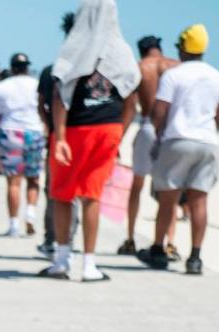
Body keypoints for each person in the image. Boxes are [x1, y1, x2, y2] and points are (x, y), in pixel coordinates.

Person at [39, 0, 140, 282]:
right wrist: (121, 130)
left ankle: (61, 260)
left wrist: (58, 137)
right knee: (91, 196)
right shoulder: (121, 50)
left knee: (62, 194)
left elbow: (61, 95)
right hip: (107, 128)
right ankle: (89, 265)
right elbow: (131, 96)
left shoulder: (75, 46)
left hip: (74, 130)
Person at [137, 23, 219, 275]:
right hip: (207, 143)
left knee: (168, 199)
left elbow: (159, 111)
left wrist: (159, 135)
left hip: (177, 139)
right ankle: (195, 257)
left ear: (183, 49)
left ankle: (158, 249)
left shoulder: (174, 75)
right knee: (199, 201)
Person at [116, 36, 180, 258]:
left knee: (137, 186)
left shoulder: (139, 68)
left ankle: (131, 238)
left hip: (148, 127)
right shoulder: (177, 66)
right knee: (169, 190)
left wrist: (117, 139)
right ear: (160, 48)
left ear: (141, 50)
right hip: (173, 130)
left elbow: (130, 108)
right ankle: (170, 242)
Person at [0, 53, 44, 237]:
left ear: (11, 68)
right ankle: (30, 215)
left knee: (13, 181)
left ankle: (13, 225)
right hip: (34, 132)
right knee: (34, 179)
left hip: (10, 132)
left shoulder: (0, 87)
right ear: (27, 67)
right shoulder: (37, 85)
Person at [36, 11, 77, 258]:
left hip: (57, 138)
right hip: (83, 134)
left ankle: (53, 238)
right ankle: (69, 239)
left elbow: (42, 104)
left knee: (55, 190)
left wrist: (51, 126)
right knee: (79, 194)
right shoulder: (95, 67)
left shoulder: (52, 69)